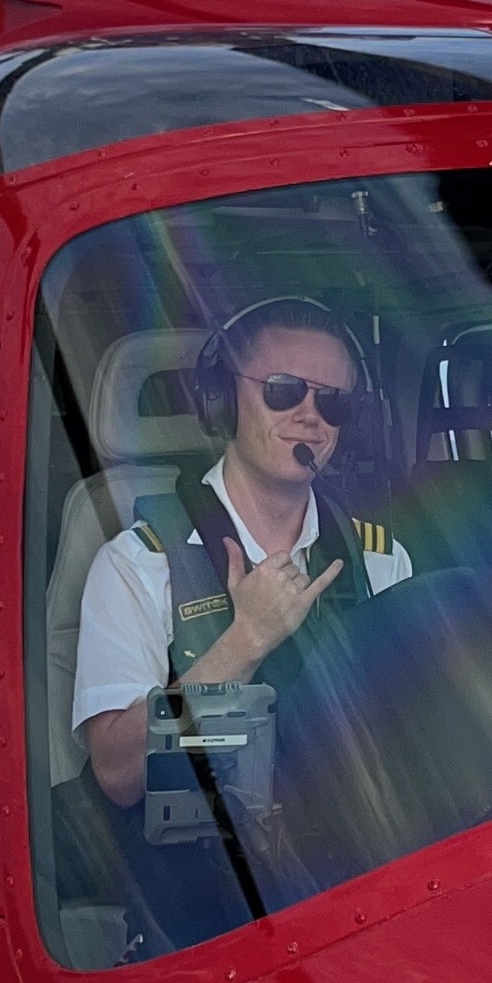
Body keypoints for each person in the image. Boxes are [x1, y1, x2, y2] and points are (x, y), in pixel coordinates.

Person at [74, 296, 415, 806]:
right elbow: (118, 773)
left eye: (332, 402)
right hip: (211, 870)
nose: (309, 416)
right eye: (283, 391)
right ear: (222, 399)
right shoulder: (140, 564)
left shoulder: (380, 560)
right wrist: (246, 640)